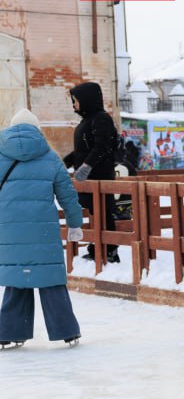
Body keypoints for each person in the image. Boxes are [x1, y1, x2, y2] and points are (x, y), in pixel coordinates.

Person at [0, 109, 85, 348]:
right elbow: (67, 196)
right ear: (37, 130)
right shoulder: (50, 157)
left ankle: (9, 332)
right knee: (50, 279)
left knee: (16, 277)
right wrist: (75, 224)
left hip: (8, 230)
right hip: (43, 230)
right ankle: (67, 331)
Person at [64, 81, 119, 263]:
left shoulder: (101, 118)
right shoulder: (86, 120)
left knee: (104, 211)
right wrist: (66, 162)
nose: (74, 104)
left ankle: (110, 249)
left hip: (99, 176)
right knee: (97, 212)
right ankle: (98, 246)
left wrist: (87, 166)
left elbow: (101, 146)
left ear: (86, 99)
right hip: (90, 178)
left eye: (76, 100)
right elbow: (82, 150)